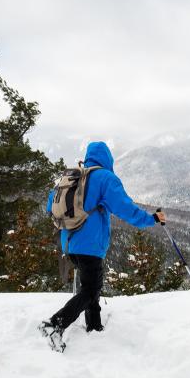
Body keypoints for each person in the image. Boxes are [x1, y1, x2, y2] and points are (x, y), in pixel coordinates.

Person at [42, 141, 165, 337]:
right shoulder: (105, 178)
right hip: (90, 246)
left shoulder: (70, 177)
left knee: (91, 287)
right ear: (108, 159)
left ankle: (94, 326)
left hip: (69, 243)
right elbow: (126, 209)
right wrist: (150, 219)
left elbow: (50, 207)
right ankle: (56, 323)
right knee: (91, 290)